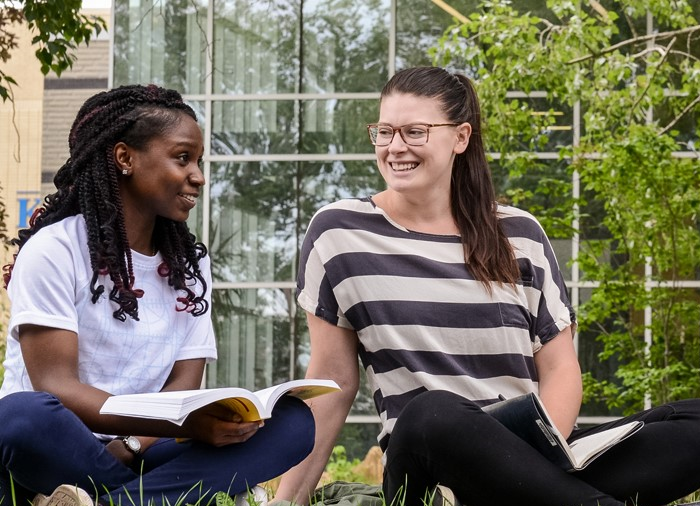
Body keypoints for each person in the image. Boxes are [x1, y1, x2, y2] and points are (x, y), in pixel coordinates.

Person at [272, 66, 700, 506]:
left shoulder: (520, 234)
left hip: (530, 461)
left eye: (414, 132)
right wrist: (287, 500)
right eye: (384, 132)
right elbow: (333, 379)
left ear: (461, 137)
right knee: (432, 413)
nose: (395, 147)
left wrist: (530, 457)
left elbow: (560, 370)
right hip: (431, 470)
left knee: (693, 419)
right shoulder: (338, 233)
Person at [0, 84, 315, 506]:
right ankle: (161, 497)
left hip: (150, 446)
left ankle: (99, 501)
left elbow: (185, 382)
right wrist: (181, 425)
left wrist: (137, 442)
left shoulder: (190, 266)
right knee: (23, 416)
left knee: (293, 422)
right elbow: (57, 386)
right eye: (182, 157)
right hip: (63, 443)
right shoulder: (55, 249)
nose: (198, 175)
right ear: (125, 158)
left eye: (199, 161)